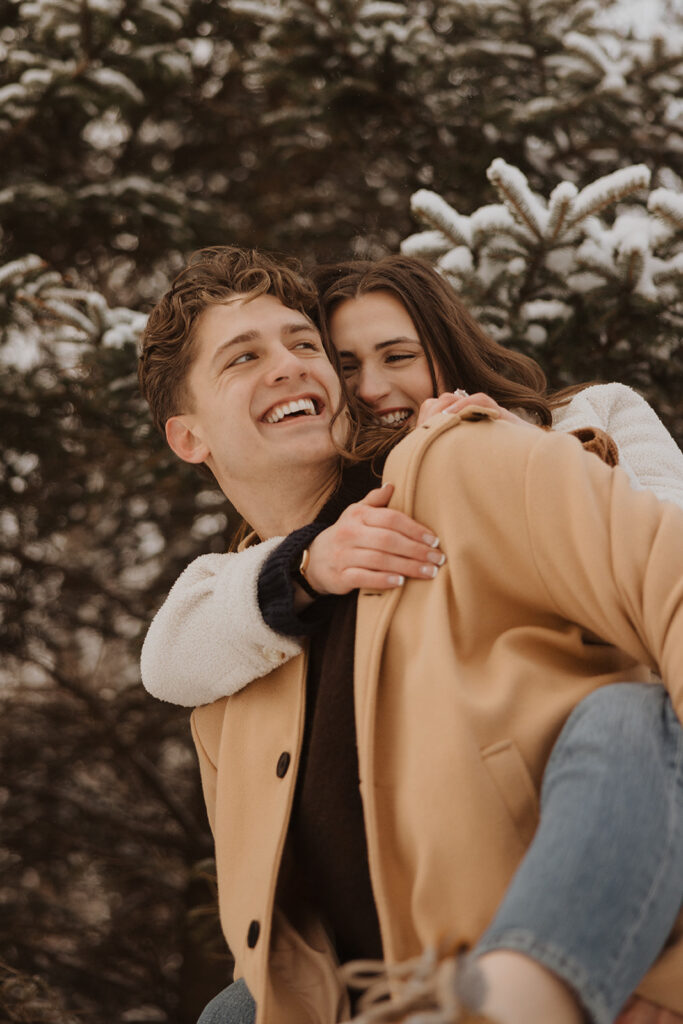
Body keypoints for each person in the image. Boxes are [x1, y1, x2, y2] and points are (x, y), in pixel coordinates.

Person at [138, 246, 683, 1024]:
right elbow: (275, 928)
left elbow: (666, 580)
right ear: (189, 438)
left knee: (633, 716)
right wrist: (302, 567)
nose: (293, 367)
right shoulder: (235, 646)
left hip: (564, 971)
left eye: (301, 344)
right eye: (244, 357)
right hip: (386, 998)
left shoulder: (465, 457)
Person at [140, 254, 683, 706]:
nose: (371, 389)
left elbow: (662, 544)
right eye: (345, 365)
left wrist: (520, 454)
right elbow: (167, 659)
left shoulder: (590, 415)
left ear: (450, 351)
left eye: (399, 356)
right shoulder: (317, 535)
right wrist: (305, 568)